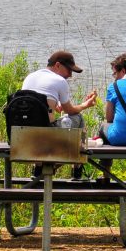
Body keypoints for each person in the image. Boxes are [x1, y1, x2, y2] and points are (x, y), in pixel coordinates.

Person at [21, 50, 98, 179]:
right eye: (69, 70)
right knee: (77, 117)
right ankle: (77, 168)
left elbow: (38, 102)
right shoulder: (59, 80)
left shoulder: (30, 76)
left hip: (24, 137)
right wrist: (86, 104)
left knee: (42, 125)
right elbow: (71, 111)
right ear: (57, 65)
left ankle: (38, 168)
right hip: (47, 136)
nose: (70, 75)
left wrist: (54, 106)